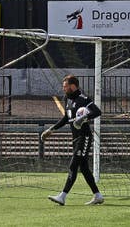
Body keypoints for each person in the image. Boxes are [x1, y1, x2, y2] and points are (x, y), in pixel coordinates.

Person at [41, 74, 104, 206]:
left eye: (65, 86)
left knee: (73, 165)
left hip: (84, 137)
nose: (63, 89)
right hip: (75, 139)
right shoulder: (67, 100)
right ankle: (98, 195)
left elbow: (97, 112)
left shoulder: (84, 99)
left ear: (73, 86)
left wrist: (83, 118)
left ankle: (62, 196)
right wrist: (51, 129)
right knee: (84, 169)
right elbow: (66, 118)